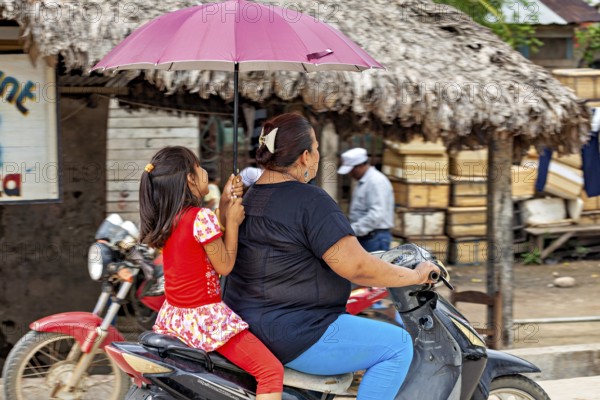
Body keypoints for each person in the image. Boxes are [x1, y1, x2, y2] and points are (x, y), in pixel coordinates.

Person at [222, 113, 440, 400]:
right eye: (314, 147)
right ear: (303, 157)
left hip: (245, 325)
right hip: (295, 332)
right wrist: (415, 275)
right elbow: (358, 267)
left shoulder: (248, 198)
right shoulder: (311, 200)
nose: (317, 154)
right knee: (397, 344)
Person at [138, 146, 283, 400]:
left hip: (175, 318)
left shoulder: (169, 219)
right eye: (199, 167)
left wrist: (226, 201)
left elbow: (205, 241)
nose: (205, 171)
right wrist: (235, 224)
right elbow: (224, 265)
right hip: (206, 320)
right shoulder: (200, 217)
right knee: (270, 371)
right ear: (190, 179)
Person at [337, 147, 395, 252]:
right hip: (366, 236)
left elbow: (376, 214)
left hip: (374, 238)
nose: (350, 174)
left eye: (352, 171)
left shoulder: (375, 182)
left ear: (359, 166)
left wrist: (353, 229)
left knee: (375, 268)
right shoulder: (364, 181)